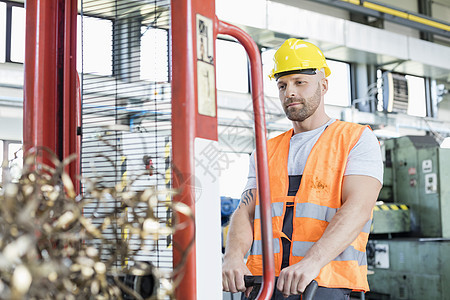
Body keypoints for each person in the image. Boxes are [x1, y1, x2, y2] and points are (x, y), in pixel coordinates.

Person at [222, 38, 383, 300]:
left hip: (326, 285)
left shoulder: (356, 139)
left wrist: (312, 262)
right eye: (282, 85)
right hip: (264, 285)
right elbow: (245, 210)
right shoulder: (265, 150)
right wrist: (232, 257)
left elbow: (358, 208)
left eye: (300, 82)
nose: (290, 92)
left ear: (324, 85)